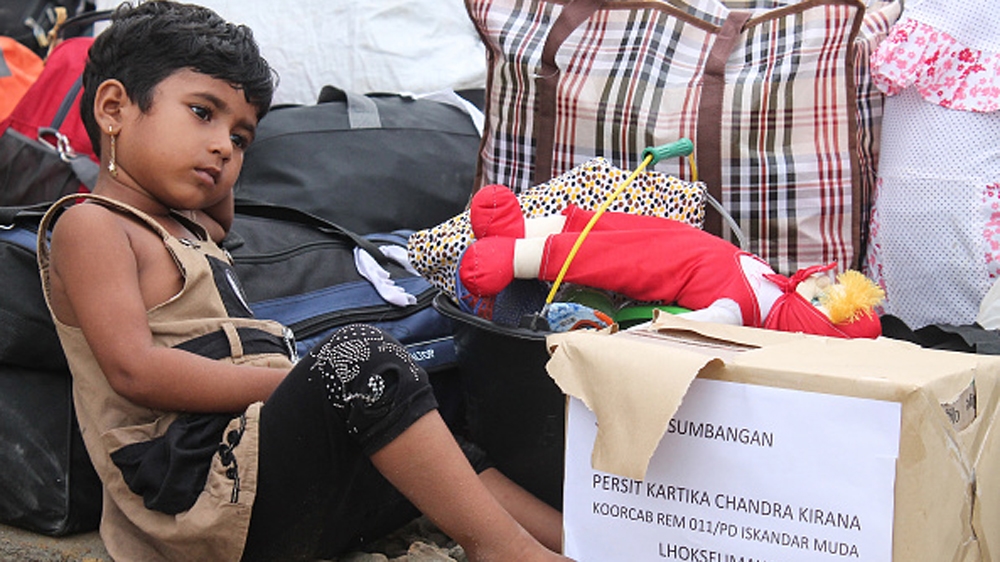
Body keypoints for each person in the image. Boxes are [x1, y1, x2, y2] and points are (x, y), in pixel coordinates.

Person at [36, 2, 570, 561]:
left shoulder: (193, 226)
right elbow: (134, 370)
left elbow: (220, 217)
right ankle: (504, 549)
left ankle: (584, 543)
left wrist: (211, 153)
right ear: (114, 107)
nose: (223, 146)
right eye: (202, 112)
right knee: (357, 360)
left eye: (241, 138)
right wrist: (294, 384)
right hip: (192, 493)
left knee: (427, 420)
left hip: (259, 475)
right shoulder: (91, 225)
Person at [458, 184, 884, 339]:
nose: (819, 287)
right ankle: (522, 230)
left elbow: (694, 326)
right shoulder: (776, 285)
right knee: (611, 227)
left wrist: (644, 334)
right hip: (683, 242)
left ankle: (514, 258)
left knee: (607, 259)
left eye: (823, 300)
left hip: (669, 268)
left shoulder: (743, 312)